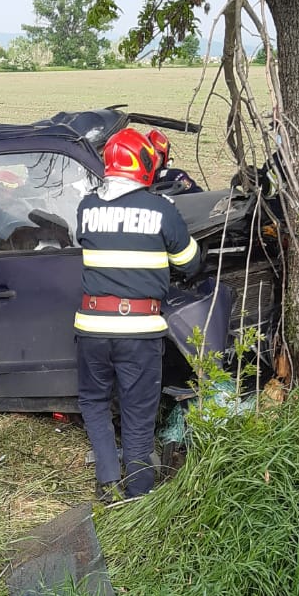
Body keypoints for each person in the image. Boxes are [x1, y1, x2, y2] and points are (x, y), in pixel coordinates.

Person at [75, 128, 199, 502]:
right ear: (144, 164)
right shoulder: (161, 209)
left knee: (94, 403)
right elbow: (190, 262)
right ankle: (139, 491)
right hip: (140, 331)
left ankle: (108, 480)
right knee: (138, 412)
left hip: (92, 328)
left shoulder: (86, 208)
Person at [147, 129, 202, 195]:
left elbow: (197, 196)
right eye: (147, 153)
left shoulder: (172, 176)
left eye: (157, 153)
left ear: (163, 159)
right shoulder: (135, 179)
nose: (152, 157)